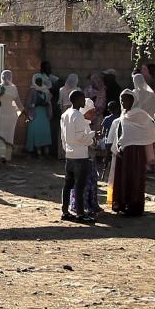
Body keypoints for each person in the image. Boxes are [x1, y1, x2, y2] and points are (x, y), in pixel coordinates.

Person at [110, 88, 155, 217]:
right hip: (124, 150)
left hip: (136, 152)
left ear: (133, 100)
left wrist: (138, 140)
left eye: (126, 100)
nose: (123, 102)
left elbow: (151, 127)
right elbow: (121, 133)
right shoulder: (124, 114)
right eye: (122, 100)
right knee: (124, 177)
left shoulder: (140, 114)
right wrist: (119, 145)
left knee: (135, 177)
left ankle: (134, 206)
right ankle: (123, 203)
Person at [60, 89, 96, 224]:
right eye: (82, 99)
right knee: (79, 186)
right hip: (80, 155)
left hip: (69, 155)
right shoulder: (78, 116)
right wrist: (93, 136)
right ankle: (80, 214)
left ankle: (65, 211)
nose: (83, 101)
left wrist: (66, 149)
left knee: (68, 185)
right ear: (76, 100)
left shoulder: (65, 115)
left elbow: (63, 136)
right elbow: (81, 137)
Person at [0, 70, 23, 164]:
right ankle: (6, 157)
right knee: (8, 136)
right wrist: (24, 112)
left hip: (0, 115)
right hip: (10, 115)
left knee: (0, 135)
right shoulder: (13, 88)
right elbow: (18, 102)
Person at [26, 67, 55, 158]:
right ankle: (39, 153)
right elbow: (28, 104)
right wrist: (35, 105)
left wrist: (47, 105)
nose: (39, 82)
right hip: (36, 114)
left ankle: (46, 153)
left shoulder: (46, 90)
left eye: (40, 80)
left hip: (44, 114)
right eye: (37, 80)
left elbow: (49, 102)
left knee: (45, 133)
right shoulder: (32, 90)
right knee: (37, 133)